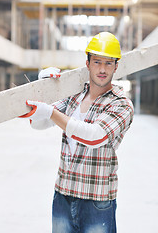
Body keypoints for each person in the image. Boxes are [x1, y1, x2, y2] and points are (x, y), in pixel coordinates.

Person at [21, 32, 134, 233]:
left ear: (117, 66)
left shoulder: (121, 104)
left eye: (108, 63)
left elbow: (94, 136)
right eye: (97, 61)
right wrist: (43, 89)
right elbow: (37, 124)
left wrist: (51, 111)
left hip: (96, 202)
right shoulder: (74, 96)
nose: (102, 69)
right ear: (88, 63)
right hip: (63, 195)